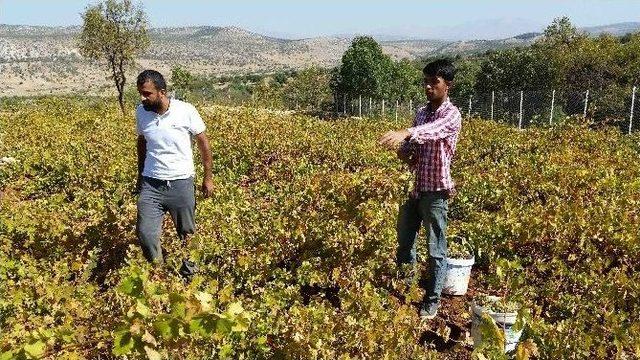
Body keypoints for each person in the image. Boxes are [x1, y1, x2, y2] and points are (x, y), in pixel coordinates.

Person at [379, 59, 462, 320]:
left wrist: (405, 132)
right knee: (405, 242)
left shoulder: (451, 115)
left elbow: (432, 132)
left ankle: (432, 299)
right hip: (414, 189)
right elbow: (413, 150)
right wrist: (401, 150)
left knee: (436, 248)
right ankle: (407, 289)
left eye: (433, 82)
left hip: (436, 192)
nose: (428, 86)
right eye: (425, 81)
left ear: (447, 85)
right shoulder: (421, 113)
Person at [135, 69, 213, 280]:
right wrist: (140, 175)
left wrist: (208, 178)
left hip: (181, 183)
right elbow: (142, 142)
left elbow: (203, 143)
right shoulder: (141, 112)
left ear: (162, 92)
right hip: (151, 183)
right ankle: (158, 274)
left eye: (147, 93)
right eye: (141, 93)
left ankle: (190, 277)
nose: (143, 98)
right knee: (146, 232)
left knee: (187, 233)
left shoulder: (185, 110)